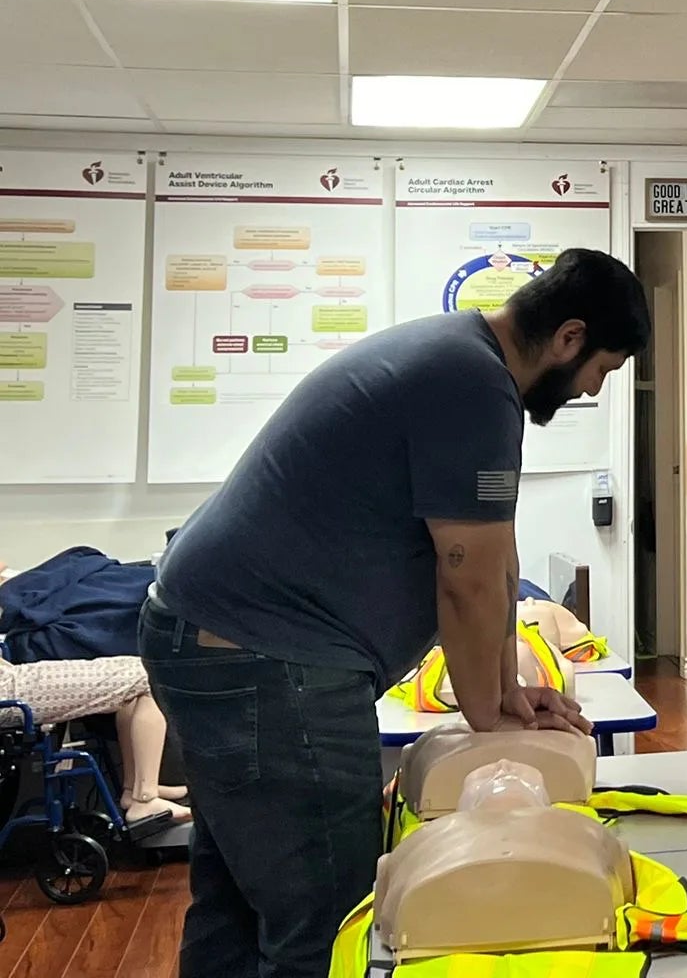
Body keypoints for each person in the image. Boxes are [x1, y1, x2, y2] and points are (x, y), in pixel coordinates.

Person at [140, 249, 647, 978]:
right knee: (330, 923)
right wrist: (488, 715)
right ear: (569, 338)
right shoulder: (474, 384)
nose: (590, 389)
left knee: (239, 904)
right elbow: (466, 580)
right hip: (263, 659)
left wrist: (505, 692)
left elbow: (495, 557)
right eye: (604, 368)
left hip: (217, 639)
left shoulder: (462, 359)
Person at [0, 654, 188, 823]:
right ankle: (144, 798)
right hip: (6, 687)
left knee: (140, 671)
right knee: (147, 676)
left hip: (7, 675)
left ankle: (137, 789)